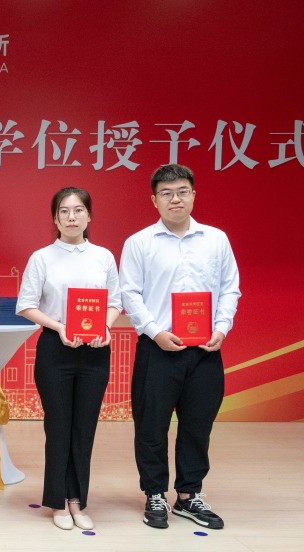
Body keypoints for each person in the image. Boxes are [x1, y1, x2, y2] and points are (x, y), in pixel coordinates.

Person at [119, 164, 240, 530]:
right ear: (154, 200)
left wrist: (221, 328)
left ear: (193, 195)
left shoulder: (216, 239)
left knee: (197, 426)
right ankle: (155, 493)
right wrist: (155, 332)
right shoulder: (140, 243)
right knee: (151, 426)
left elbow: (230, 288)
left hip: (205, 351)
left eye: (183, 191)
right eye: (167, 193)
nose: (176, 199)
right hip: (158, 348)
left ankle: (189, 495)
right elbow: (130, 294)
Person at [16, 187, 121, 531]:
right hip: (55, 348)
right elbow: (26, 305)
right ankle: (58, 500)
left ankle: (78, 499)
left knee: (84, 427)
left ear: (89, 216)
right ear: (55, 218)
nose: (71, 217)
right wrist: (60, 327)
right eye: (64, 211)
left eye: (78, 210)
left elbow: (115, 301)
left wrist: (106, 326)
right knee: (58, 426)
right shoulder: (42, 257)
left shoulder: (103, 257)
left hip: (95, 350)